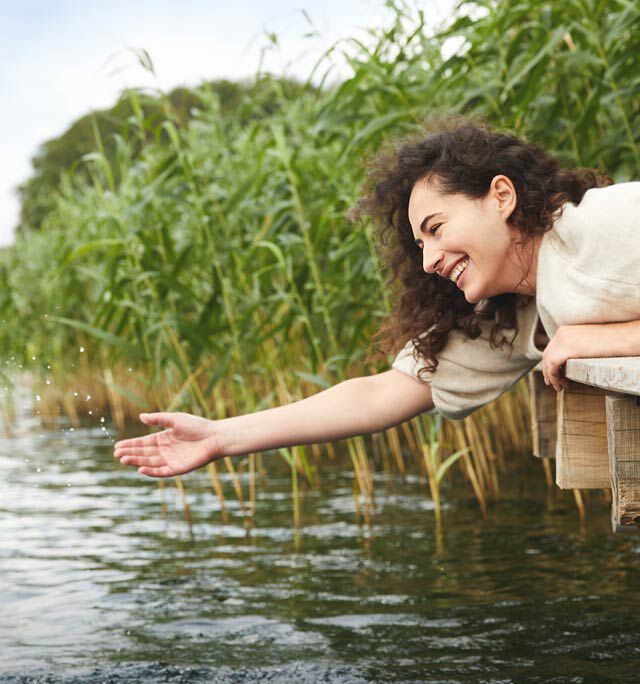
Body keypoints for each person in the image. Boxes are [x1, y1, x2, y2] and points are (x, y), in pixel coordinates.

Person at [114, 116, 640, 479]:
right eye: (420, 244)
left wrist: (603, 337)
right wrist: (220, 436)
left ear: (501, 197)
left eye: (436, 228)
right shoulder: (514, 318)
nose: (430, 259)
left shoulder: (601, 224)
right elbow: (375, 396)